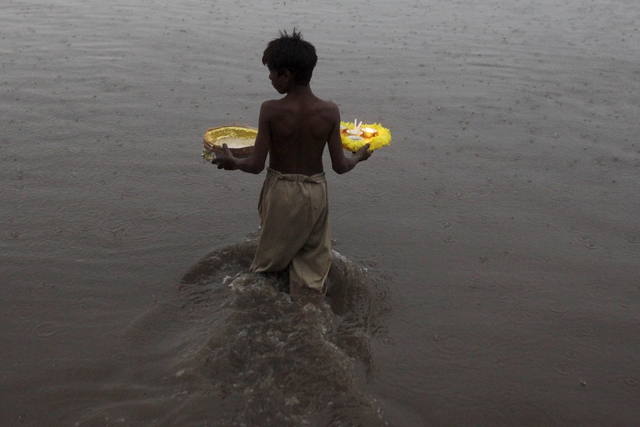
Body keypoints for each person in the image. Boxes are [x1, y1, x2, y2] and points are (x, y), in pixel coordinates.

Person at [213, 29, 371, 301]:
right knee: (312, 260)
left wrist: (233, 162)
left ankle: (261, 302)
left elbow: (255, 165)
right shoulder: (330, 111)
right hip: (315, 193)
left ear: (286, 75)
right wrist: (359, 156)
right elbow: (340, 166)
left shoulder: (271, 110)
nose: (270, 78)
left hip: (281, 192)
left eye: (272, 72)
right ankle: (308, 303)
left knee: (269, 261)